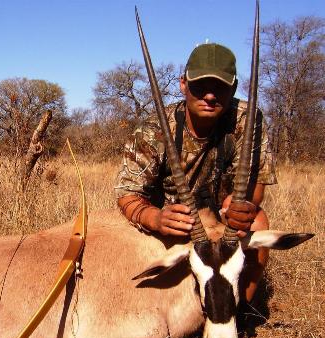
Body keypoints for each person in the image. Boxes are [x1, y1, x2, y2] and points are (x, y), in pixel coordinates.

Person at [114, 43, 277, 303]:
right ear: (183, 84)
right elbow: (127, 194)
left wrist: (244, 205)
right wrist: (155, 218)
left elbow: (256, 184)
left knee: (258, 221)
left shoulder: (248, 120)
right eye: (200, 87)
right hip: (172, 226)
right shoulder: (153, 129)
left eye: (220, 88)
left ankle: (237, 312)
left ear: (234, 88)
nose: (210, 96)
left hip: (222, 224)